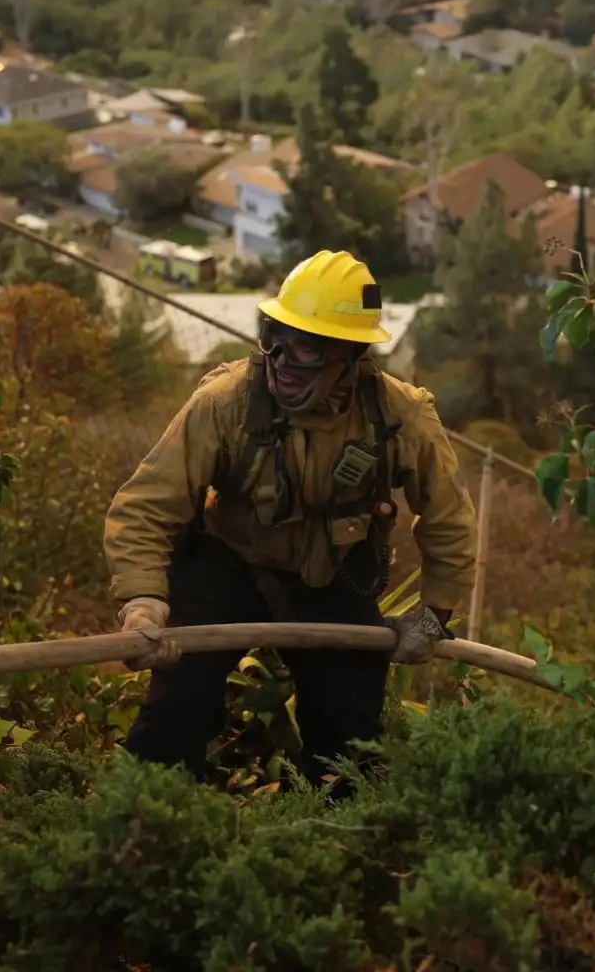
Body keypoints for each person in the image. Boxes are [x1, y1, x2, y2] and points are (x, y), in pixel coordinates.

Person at [104, 249, 478, 790]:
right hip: (226, 565)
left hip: (334, 580)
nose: (280, 361)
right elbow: (146, 505)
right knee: (174, 716)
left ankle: (333, 848)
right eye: (273, 338)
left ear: (349, 355)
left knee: (350, 739)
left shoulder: (401, 418)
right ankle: (142, 833)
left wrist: (433, 614)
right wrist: (143, 600)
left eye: (303, 348)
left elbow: (449, 519)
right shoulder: (225, 402)